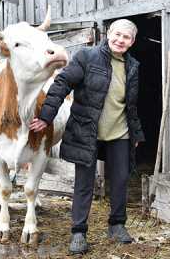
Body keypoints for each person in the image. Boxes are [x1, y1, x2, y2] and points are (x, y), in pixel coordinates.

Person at [29, 19, 145, 255]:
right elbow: (62, 83)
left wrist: (137, 132)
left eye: (127, 37)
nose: (121, 40)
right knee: (85, 183)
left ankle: (117, 225)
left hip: (119, 132)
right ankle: (79, 232)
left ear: (132, 42)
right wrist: (47, 116)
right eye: (118, 35)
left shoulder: (132, 66)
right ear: (109, 34)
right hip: (87, 130)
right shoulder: (87, 57)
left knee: (121, 179)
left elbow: (130, 105)